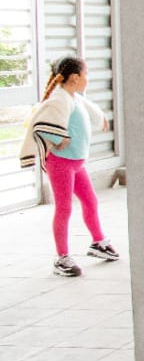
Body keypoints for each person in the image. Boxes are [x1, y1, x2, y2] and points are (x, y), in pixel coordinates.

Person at [20, 56, 121, 277]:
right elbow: (40, 124)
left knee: (90, 201)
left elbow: (88, 107)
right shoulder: (59, 99)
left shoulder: (73, 97)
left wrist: (100, 117)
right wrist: (58, 138)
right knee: (64, 208)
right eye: (86, 74)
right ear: (75, 78)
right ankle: (62, 257)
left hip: (77, 163)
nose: (87, 79)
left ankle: (98, 242)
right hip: (61, 164)